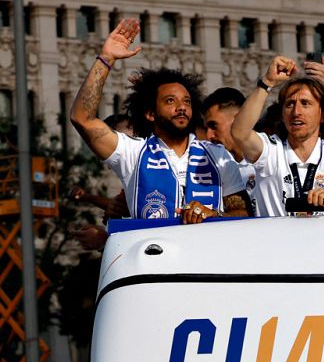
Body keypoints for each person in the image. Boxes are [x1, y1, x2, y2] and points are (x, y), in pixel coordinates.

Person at [69, 18, 250, 224]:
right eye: (170, 101)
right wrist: (106, 58)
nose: (182, 107)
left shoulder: (218, 156)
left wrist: (213, 215)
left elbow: (243, 215)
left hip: (206, 254)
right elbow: (81, 118)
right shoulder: (133, 153)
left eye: (187, 101)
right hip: (154, 254)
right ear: (150, 113)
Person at [231, 55, 324, 216]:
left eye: (305, 104)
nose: (296, 112)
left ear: (323, 115)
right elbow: (239, 133)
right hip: (276, 240)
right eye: (290, 104)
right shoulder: (271, 149)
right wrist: (267, 83)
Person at [201, 87, 260, 214]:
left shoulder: (270, 157)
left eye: (213, 126)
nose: (209, 135)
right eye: (206, 128)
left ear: (238, 119)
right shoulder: (212, 166)